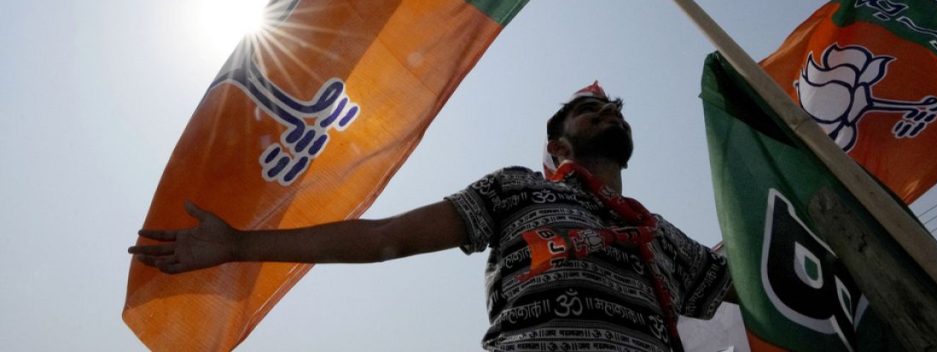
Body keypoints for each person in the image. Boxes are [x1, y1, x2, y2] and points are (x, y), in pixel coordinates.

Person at [130, 82, 733, 351]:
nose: (607, 113)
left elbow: (758, 279)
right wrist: (238, 245)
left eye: (613, 109)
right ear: (556, 148)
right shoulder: (517, 189)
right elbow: (387, 237)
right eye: (589, 109)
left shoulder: (664, 237)